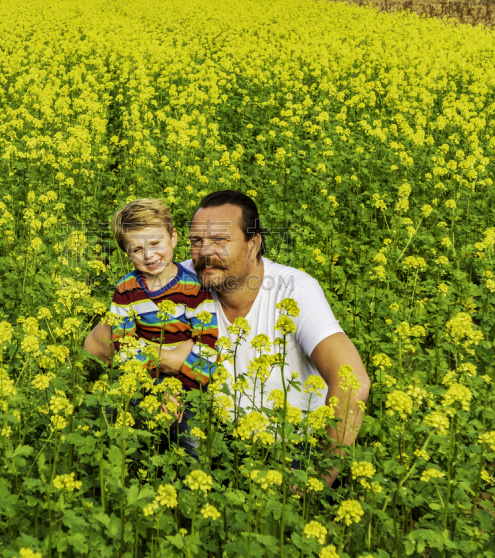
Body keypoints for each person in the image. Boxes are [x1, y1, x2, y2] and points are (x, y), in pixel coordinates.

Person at [85, 191, 370, 484]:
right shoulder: (177, 279)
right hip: (214, 447)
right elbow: (95, 345)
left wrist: (313, 484)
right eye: (197, 242)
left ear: (253, 244)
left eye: (220, 240)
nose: (206, 252)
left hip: (290, 456)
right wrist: (163, 366)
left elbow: (354, 383)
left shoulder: (294, 290)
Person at [104, 198, 220, 457]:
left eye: (156, 244)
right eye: (136, 249)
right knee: (116, 417)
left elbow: (208, 344)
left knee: (190, 439)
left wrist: (178, 389)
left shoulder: (196, 288)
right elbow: (124, 345)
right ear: (127, 253)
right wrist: (152, 389)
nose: (149, 255)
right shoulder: (125, 290)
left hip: (189, 380)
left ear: (173, 238)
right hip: (144, 377)